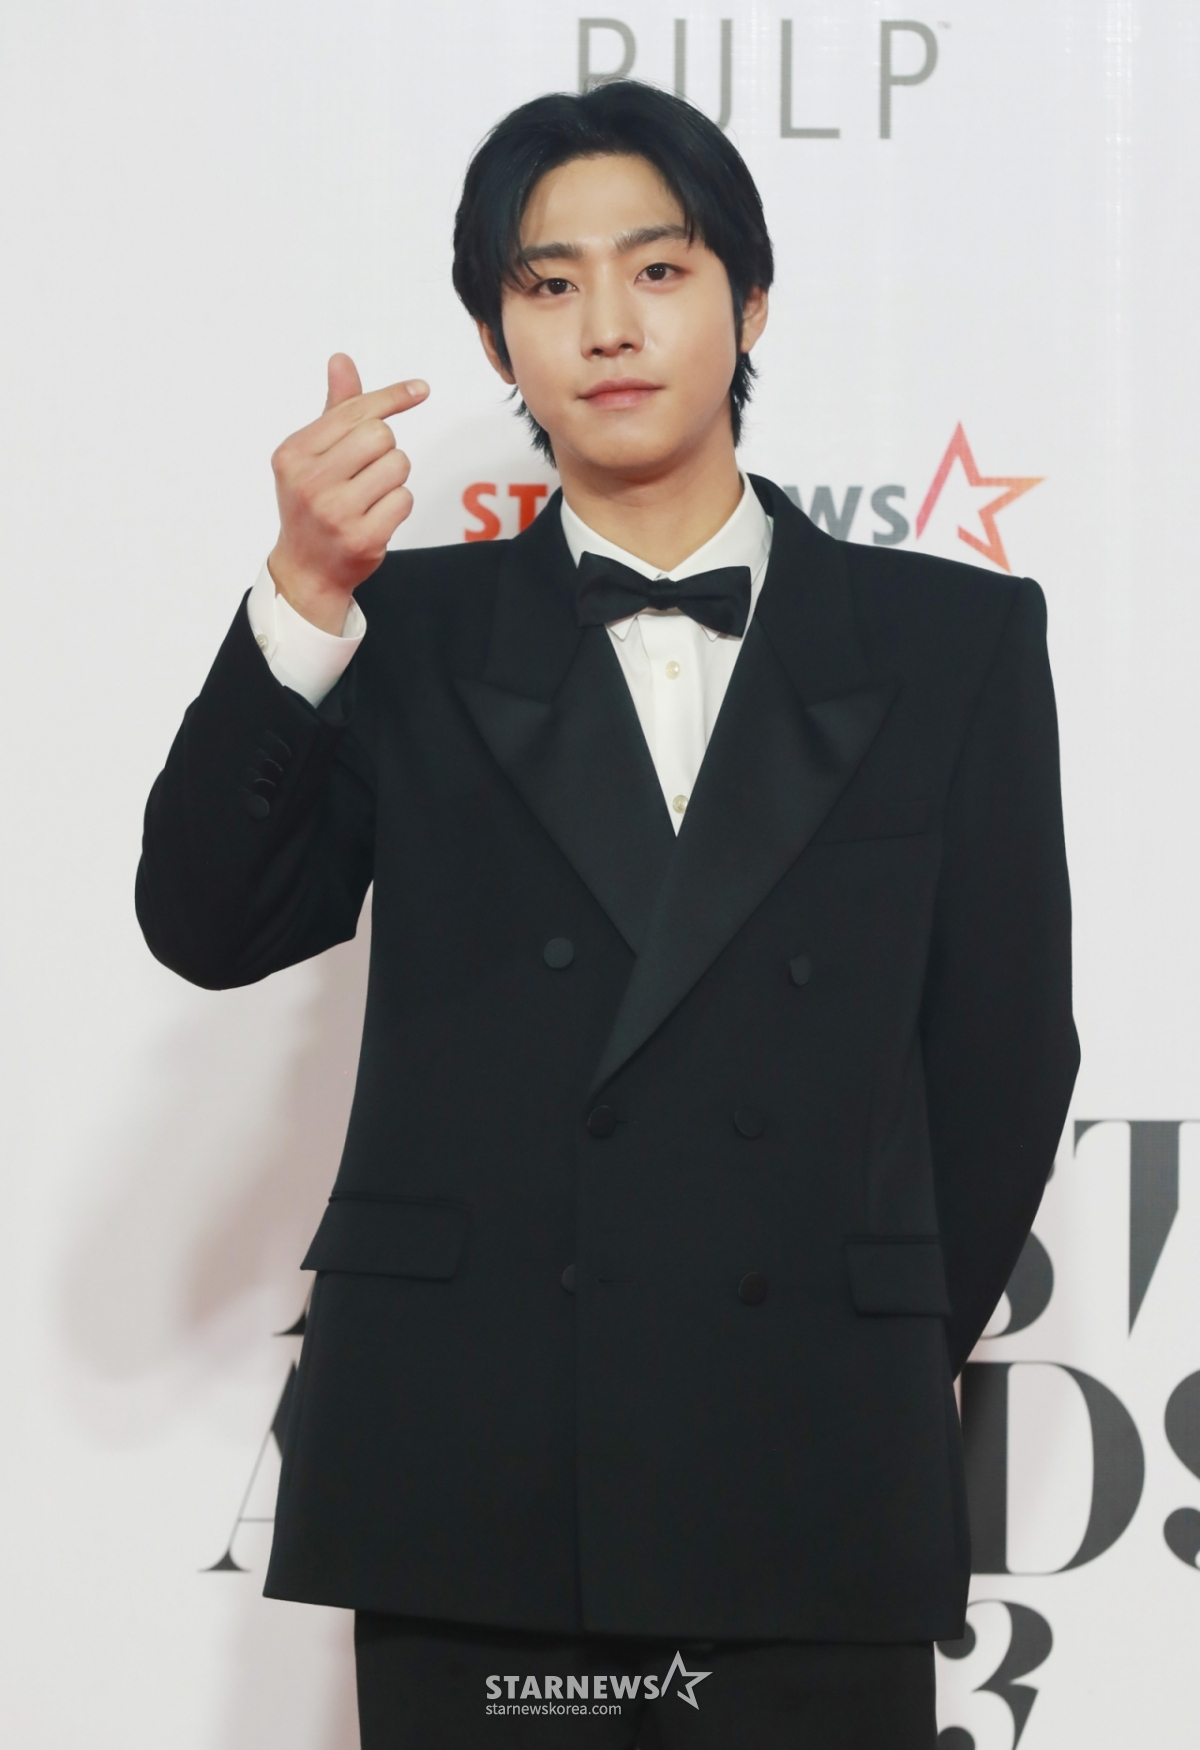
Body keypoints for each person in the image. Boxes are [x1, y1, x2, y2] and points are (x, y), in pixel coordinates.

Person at [137, 80, 1079, 1750]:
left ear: (749, 301)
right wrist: (299, 595)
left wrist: (862, 1346)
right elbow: (210, 920)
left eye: (658, 268)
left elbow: (1004, 1051)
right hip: (475, 1477)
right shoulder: (401, 631)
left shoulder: (954, 640)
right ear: (496, 340)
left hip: (807, 1478)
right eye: (550, 283)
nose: (608, 325)